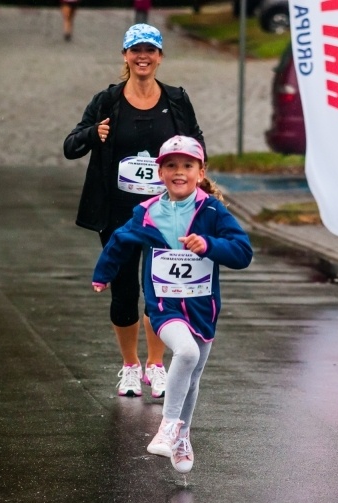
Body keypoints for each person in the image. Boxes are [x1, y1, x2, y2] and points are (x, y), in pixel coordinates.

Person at [92, 135, 253, 473]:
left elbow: (243, 252)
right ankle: (167, 426)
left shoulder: (212, 210)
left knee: (192, 377)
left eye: (187, 166)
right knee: (187, 353)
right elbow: (120, 240)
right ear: (159, 172)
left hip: (202, 307)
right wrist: (103, 273)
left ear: (200, 171)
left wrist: (208, 245)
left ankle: (182, 435)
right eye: (171, 166)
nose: (179, 172)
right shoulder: (148, 212)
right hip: (164, 305)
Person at [64, 24, 207, 400]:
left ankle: (156, 366)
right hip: (118, 213)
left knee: (161, 290)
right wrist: (95, 133)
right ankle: (130, 366)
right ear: (125, 56)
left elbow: (197, 144)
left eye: (150, 50)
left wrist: (197, 180)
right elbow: (71, 146)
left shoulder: (175, 100)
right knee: (124, 291)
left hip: (167, 212)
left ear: (159, 57)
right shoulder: (107, 102)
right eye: (135, 50)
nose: (143, 57)